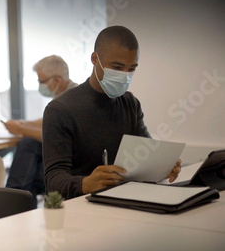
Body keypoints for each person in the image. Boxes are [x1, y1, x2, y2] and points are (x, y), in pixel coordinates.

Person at [42, 26, 181, 200]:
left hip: (126, 201)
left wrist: (163, 166)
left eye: (131, 69)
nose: (125, 75)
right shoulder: (60, 109)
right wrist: (85, 184)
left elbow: (147, 155)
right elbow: (53, 181)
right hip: (82, 209)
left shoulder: (130, 103)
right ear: (94, 59)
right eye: (117, 67)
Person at [3, 55, 77, 207]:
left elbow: (56, 137)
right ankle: (15, 198)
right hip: (64, 158)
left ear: (57, 80)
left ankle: (12, 199)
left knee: (28, 145)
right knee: (29, 160)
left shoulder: (72, 99)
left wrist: (22, 129)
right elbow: (51, 122)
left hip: (71, 160)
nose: (39, 86)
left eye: (41, 82)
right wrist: (24, 124)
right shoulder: (64, 95)